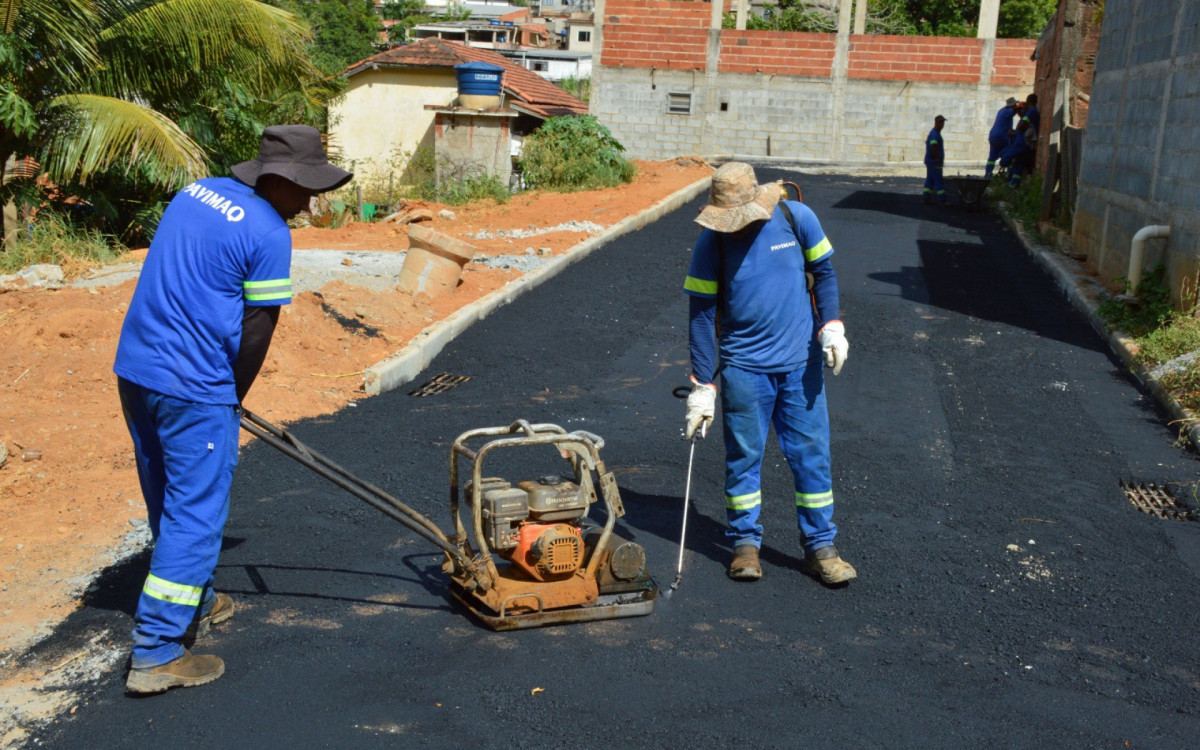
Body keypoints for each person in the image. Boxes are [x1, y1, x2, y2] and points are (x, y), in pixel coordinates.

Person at [114, 125, 352, 694]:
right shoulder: (270, 233)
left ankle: (194, 598)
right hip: (195, 387)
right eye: (305, 188)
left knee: (168, 496)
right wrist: (232, 396)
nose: (309, 201)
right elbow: (259, 326)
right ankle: (157, 652)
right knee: (196, 515)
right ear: (280, 180)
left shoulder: (196, 192)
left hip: (136, 369)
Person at [682, 162, 856, 586]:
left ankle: (821, 547)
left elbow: (827, 273)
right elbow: (702, 316)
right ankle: (744, 545)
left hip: (801, 366)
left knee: (811, 457)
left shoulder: (798, 217)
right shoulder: (712, 241)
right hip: (744, 369)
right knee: (744, 459)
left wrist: (830, 325)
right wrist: (703, 385)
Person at [999, 93, 1040, 188]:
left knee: (1005, 158)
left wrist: (1017, 129)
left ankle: (1010, 180)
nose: (1019, 112)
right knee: (1019, 165)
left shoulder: (1031, 111)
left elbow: (1022, 124)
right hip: (1023, 143)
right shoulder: (1034, 112)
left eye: (1021, 110)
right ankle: (1013, 184)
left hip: (1022, 143)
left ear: (1029, 102)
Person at [986, 97, 1019, 179]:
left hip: (993, 136)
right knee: (1009, 153)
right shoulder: (1009, 111)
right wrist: (1021, 106)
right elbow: (1016, 111)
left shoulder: (1001, 110)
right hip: (1002, 137)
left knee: (991, 158)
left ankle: (987, 175)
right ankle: (1008, 175)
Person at [923, 115, 947, 204]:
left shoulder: (934, 133)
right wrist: (937, 159)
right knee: (938, 180)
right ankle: (942, 199)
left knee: (930, 179)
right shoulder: (934, 134)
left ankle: (926, 197)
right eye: (941, 122)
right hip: (934, 162)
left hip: (930, 161)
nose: (942, 125)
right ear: (936, 122)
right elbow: (933, 146)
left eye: (943, 122)